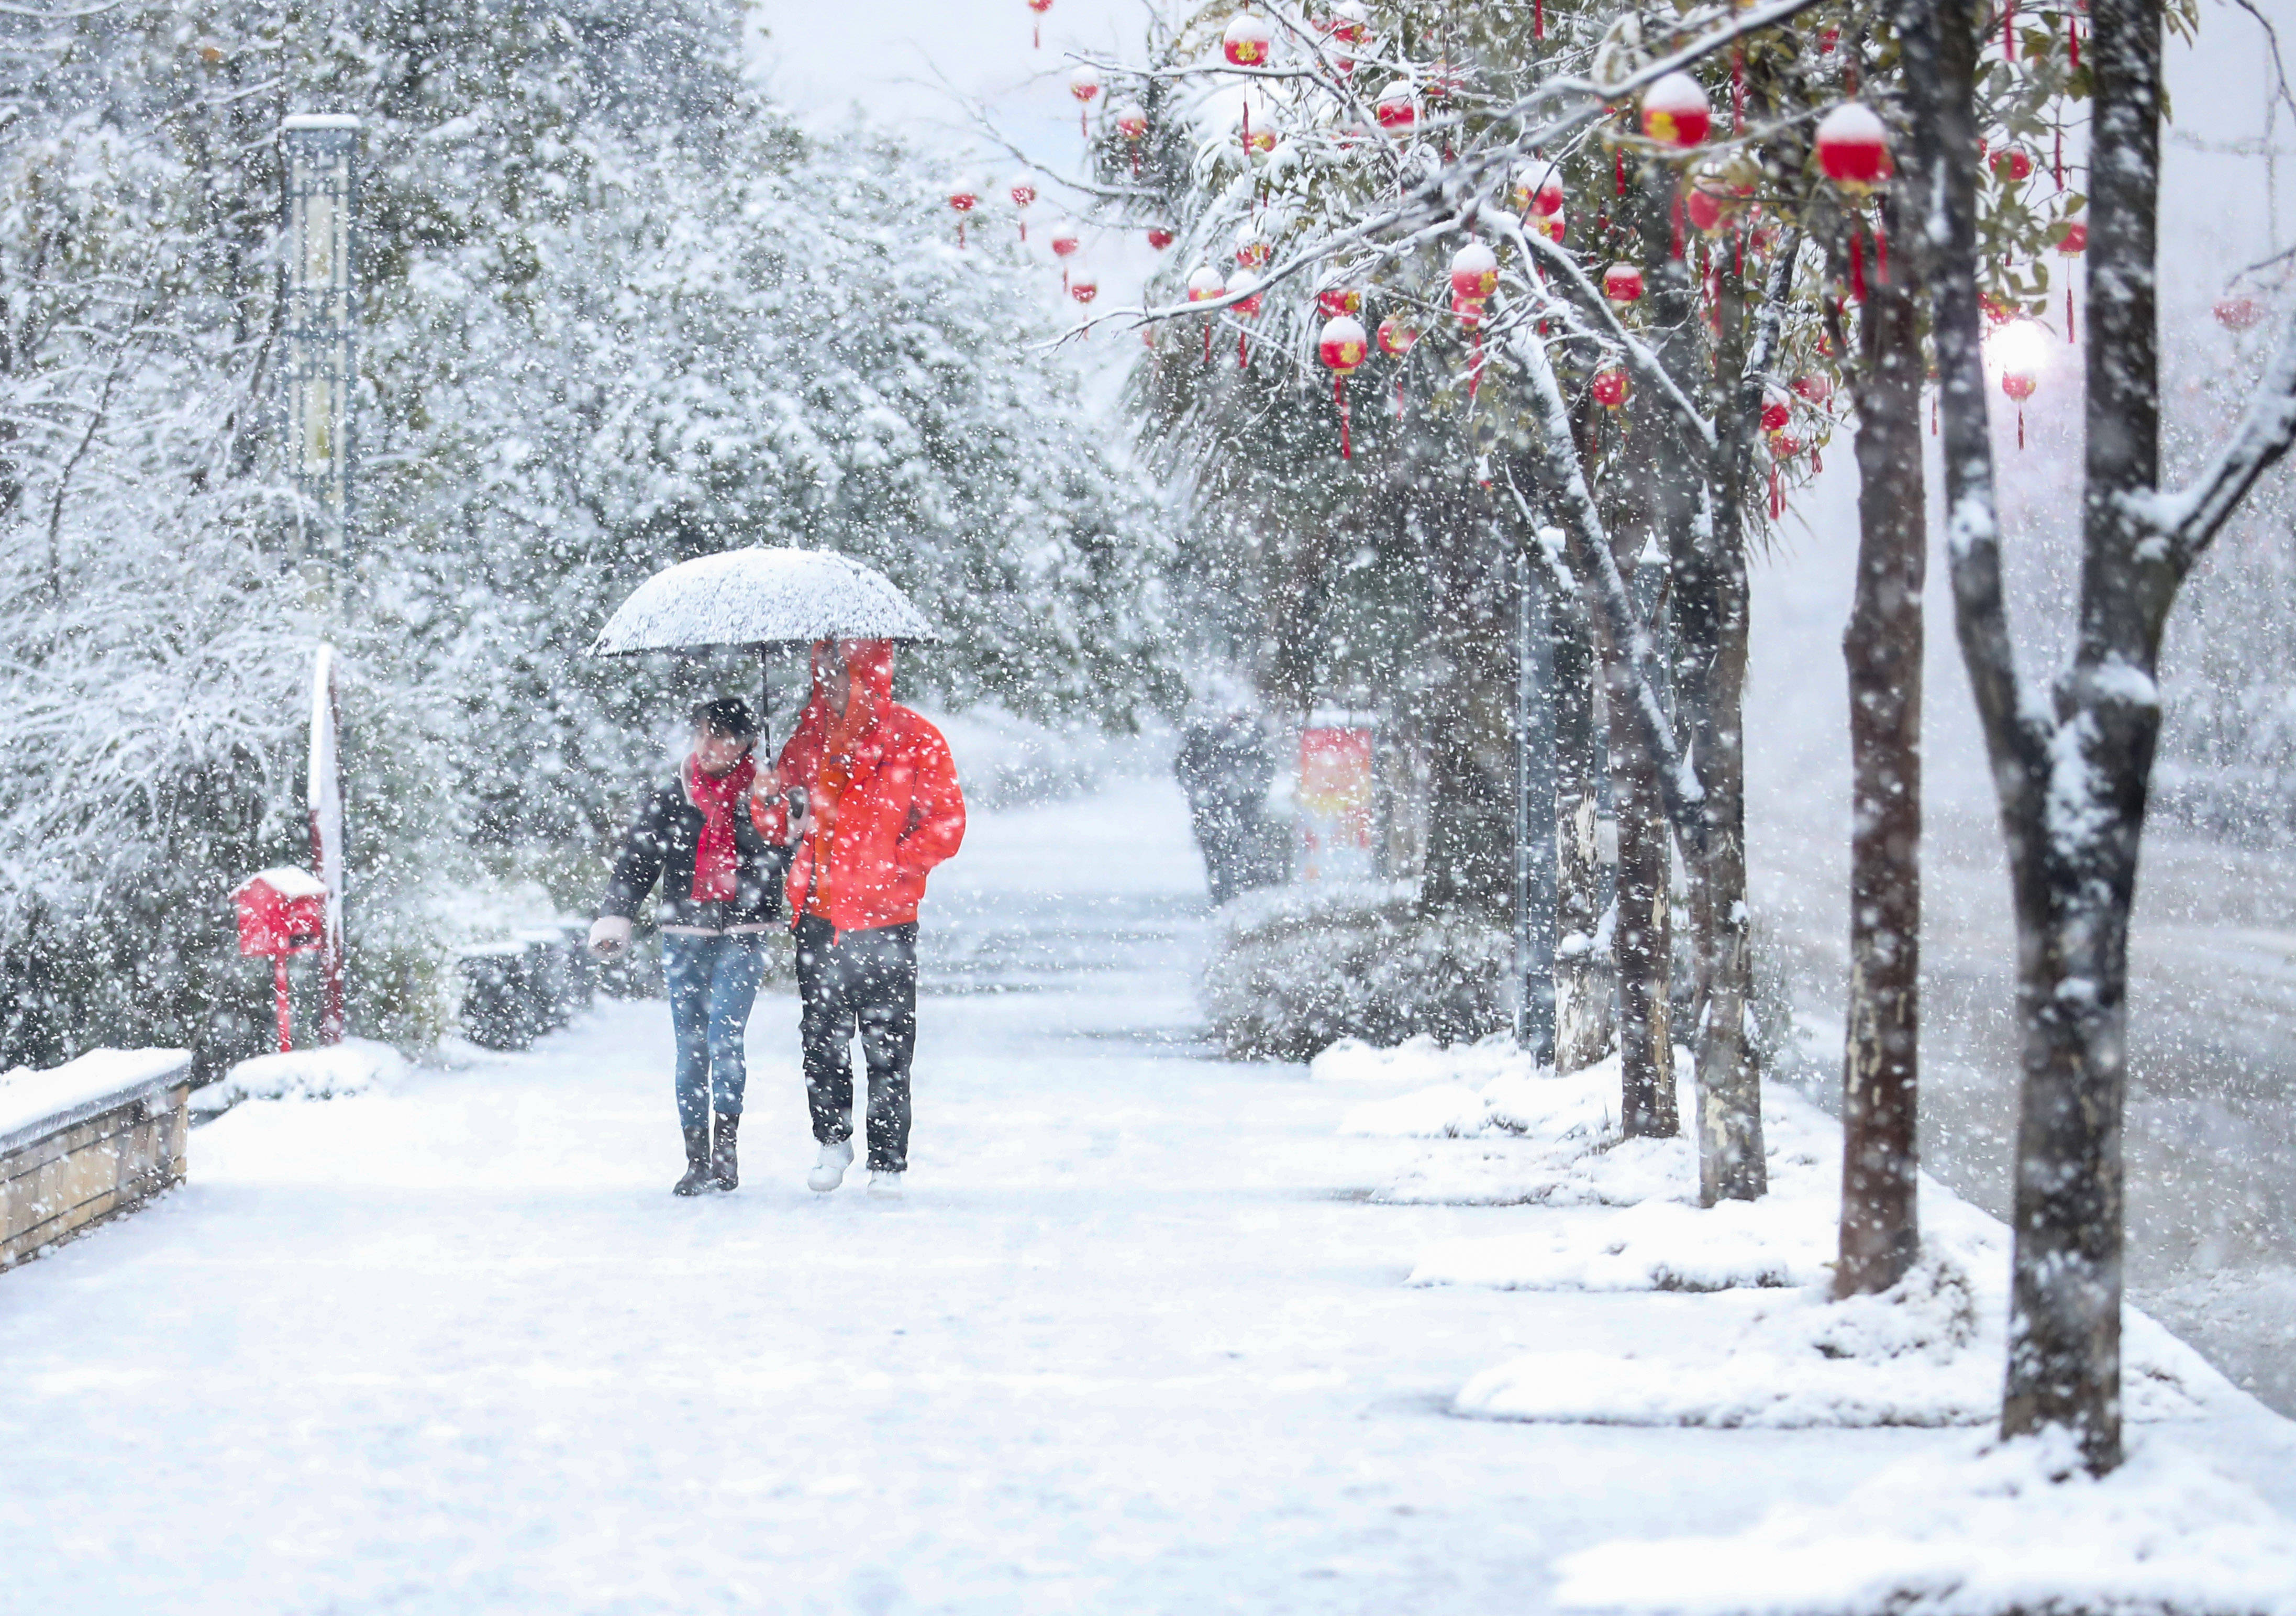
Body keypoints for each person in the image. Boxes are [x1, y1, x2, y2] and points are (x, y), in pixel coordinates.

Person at [753, 639, 964, 1198]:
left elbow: (946, 823)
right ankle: (832, 1137)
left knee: (888, 1042)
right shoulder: (809, 737)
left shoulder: (914, 738)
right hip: (818, 914)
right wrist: (767, 799)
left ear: (870, 674)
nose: (832, 684)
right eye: (823, 672)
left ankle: (888, 1160)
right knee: (821, 1036)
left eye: (841, 672)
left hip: (885, 917)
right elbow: (780, 827)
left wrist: (891, 867)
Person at [590, 698, 788, 1197]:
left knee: (724, 1036)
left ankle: (726, 1147)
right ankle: (696, 1159)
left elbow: (787, 857)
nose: (709, 745)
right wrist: (617, 916)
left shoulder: (764, 795)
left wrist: (772, 812)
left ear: (745, 743)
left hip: (744, 933)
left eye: (721, 736)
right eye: (702, 734)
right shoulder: (672, 797)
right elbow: (637, 862)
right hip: (684, 934)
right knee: (689, 1046)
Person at [1174, 709, 1275, 904]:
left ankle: (1232, 896)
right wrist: (1199, 793)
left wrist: (1252, 792)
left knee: (1236, 852)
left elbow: (1266, 766)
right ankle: (1224, 896)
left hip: (1238, 806)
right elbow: (1183, 767)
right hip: (1215, 807)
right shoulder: (1202, 735)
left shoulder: (1251, 736)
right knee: (1218, 854)